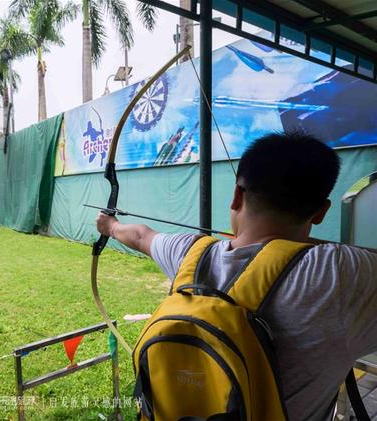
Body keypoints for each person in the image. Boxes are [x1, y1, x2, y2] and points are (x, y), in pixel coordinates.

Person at [96, 131, 377, 420]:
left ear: (237, 195)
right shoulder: (344, 273)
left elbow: (141, 236)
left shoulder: (190, 254)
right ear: (321, 213)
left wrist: (110, 226)